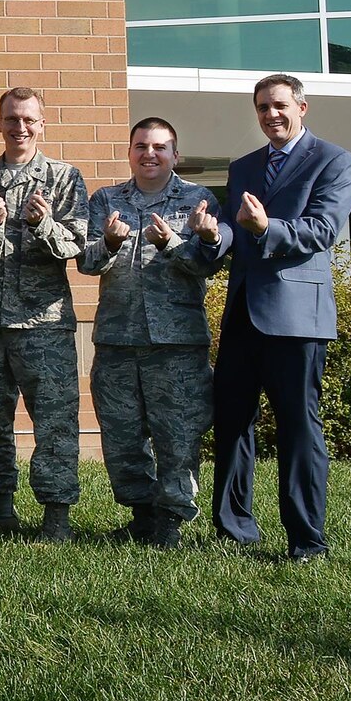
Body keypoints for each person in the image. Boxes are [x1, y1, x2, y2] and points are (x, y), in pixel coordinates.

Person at [211, 74, 351, 562]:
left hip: (297, 319)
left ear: (301, 107)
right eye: (262, 107)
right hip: (242, 315)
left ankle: (306, 540)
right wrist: (213, 236)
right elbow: (233, 229)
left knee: (299, 427)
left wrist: (265, 227)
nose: (270, 115)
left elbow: (323, 229)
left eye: (279, 105)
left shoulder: (334, 160)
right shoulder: (243, 166)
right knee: (232, 423)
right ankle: (234, 530)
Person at [79, 117, 231, 548]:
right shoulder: (106, 199)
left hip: (176, 342)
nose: (150, 154)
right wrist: (109, 243)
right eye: (141, 146)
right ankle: (142, 515)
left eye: (160, 147)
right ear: (129, 153)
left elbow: (207, 265)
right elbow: (86, 262)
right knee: (121, 434)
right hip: (117, 339)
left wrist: (171, 243)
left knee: (178, 435)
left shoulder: (198, 200)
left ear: (175, 155)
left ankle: (171, 519)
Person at [0, 87, 90, 541]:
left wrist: (42, 224)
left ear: (42, 124)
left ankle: (56, 515)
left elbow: (77, 245)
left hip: (43, 322)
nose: (20, 127)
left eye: (29, 119)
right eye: (12, 119)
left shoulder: (63, 178)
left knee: (54, 420)